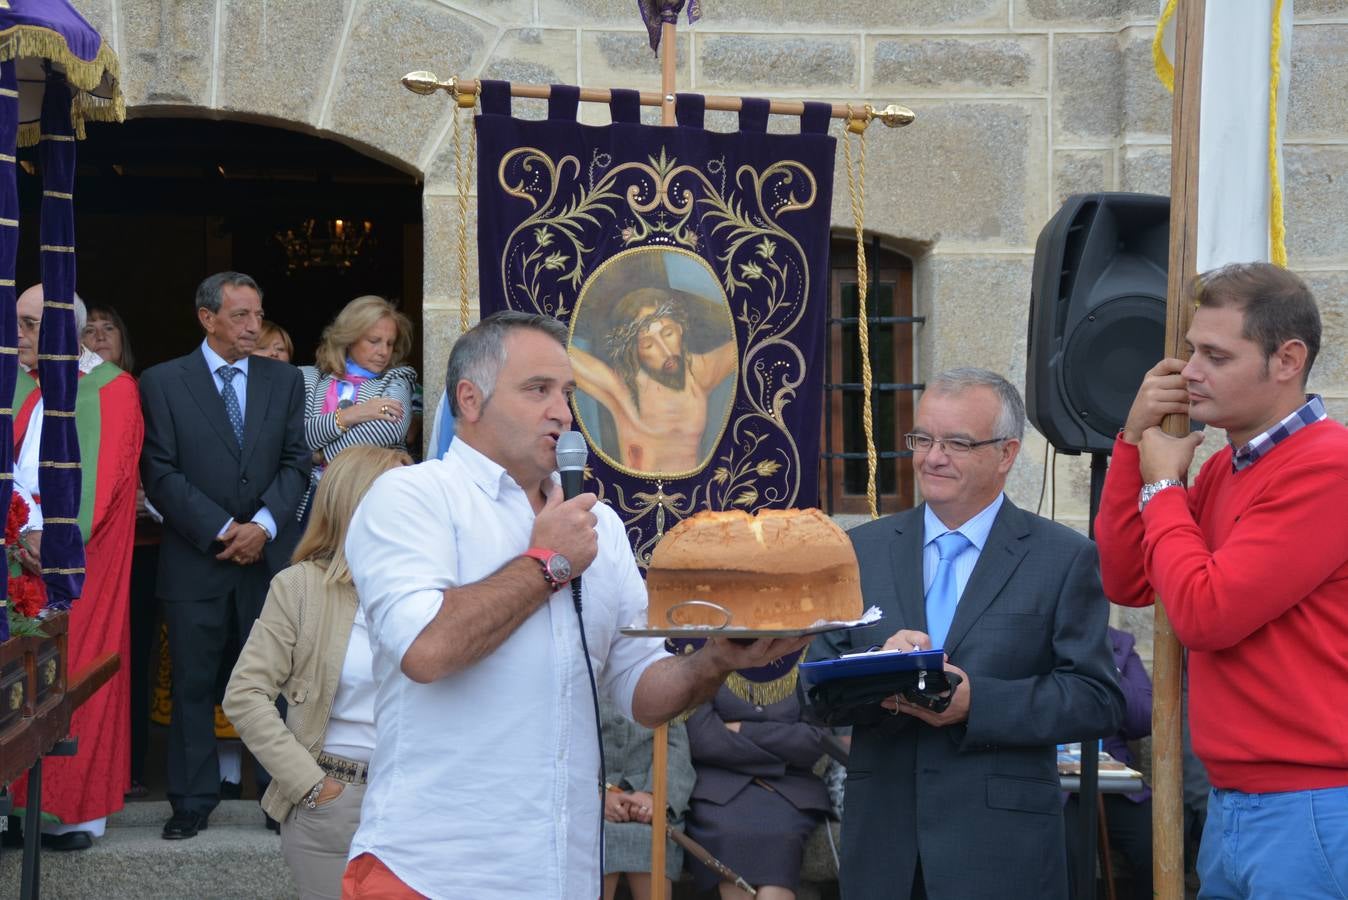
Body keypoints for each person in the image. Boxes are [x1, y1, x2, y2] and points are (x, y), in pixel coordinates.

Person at [340, 310, 809, 899]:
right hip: (433, 871)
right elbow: (425, 650)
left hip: (564, 875)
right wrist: (547, 563)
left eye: (567, 393)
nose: (562, 413)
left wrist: (715, 661)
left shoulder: (600, 526)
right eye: (538, 390)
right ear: (470, 398)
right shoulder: (412, 497)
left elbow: (640, 693)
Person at [809, 367, 1124, 900]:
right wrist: (875, 674)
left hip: (1001, 853)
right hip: (885, 850)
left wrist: (979, 703)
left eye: (956, 442)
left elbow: (1097, 699)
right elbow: (813, 693)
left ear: (1006, 453)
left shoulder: (1062, 558)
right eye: (923, 438)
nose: (933, 457)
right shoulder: (860, 551)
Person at [1094, 262, 1348, 898]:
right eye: (1189, 351)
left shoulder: (1327, 467)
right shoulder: (1224, 471)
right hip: (1238, 802)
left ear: (1287, 359)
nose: (1190, 372)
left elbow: (1207, 615)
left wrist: (1161, 487)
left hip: (1312, 804)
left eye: (1215, 355)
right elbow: (1127, 579)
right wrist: (1133, 444)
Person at [139, 271, 310, 841]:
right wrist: (221, 529)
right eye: (240, 315)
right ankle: (191, 800)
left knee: (272, 682)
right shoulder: (163, 382)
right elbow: (159, 473)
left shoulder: (284, 381)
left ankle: (276, 795)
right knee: (192, 682)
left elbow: (296, 463)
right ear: (207, 318)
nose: (253, 326)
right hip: (195, 561)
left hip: (265, 561)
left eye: (258, 315)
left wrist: (260, 525)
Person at [224, 445, 411, 900]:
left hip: (417, 799)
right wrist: (312, 787)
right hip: (334, 802)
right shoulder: (300, 587)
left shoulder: (435, 588)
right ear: (358, 504)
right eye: (404, 496)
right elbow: (244, 694)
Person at [6, 288, 144, 851]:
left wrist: (55, 539)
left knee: (74, 676)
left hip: (79, 567)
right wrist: (18, 531)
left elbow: (105, 481)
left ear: (67, 333)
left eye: (31, 326)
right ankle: (11, 810)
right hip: (14, 554)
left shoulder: (111, 389)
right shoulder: (12, 382)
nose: (17, 335)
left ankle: (72, 814)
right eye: (15, 322)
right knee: (12, 680)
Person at [684, 685, 832, 900]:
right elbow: (704, 739)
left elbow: (814, 740)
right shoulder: (708, 665)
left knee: (782, 835)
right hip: (719, 790)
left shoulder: (800, 665)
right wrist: (780, 749)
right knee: (729, 833)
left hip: (788, 791)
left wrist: (743, 730)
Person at [571, 287, 736, 473]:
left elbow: (752, 341)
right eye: (648, 344)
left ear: (680, 328)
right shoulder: (623, 389)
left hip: (692, 495)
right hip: (636, 497)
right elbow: (562, 354)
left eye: (668, 333)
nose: (666, 352)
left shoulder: (699, 372)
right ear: (635, 350)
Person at [298, 295, 415, 520]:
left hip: (371, 498)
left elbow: (388, 429)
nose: (384, 351)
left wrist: (321, 455)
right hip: (310, 500)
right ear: (349, 339)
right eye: (374, 340)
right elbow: (296, 437)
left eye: (390, 343)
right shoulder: (308, 378)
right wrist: (353, 414)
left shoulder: (396, 378)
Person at [1063, 626, 1153, 900]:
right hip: (1056, 786)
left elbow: (1143, 718)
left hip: (1111, 783)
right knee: (1067, 847)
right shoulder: (1042, 635)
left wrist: (1106, 667)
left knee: (1153, 841)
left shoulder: (1119, 646)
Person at [600, 698, 695, 900]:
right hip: (592, 802)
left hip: (651, 800)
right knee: (597, 841)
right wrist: (597, 797)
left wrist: (655, 796)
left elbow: (675, 747)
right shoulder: (575, 679)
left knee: (651, 840)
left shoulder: (662, 677)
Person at [81, 302, 136, 372]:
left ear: (122, 338)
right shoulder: (68, 383)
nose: (100, 337)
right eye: (90, 331)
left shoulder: (145, 382)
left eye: (108, 328)